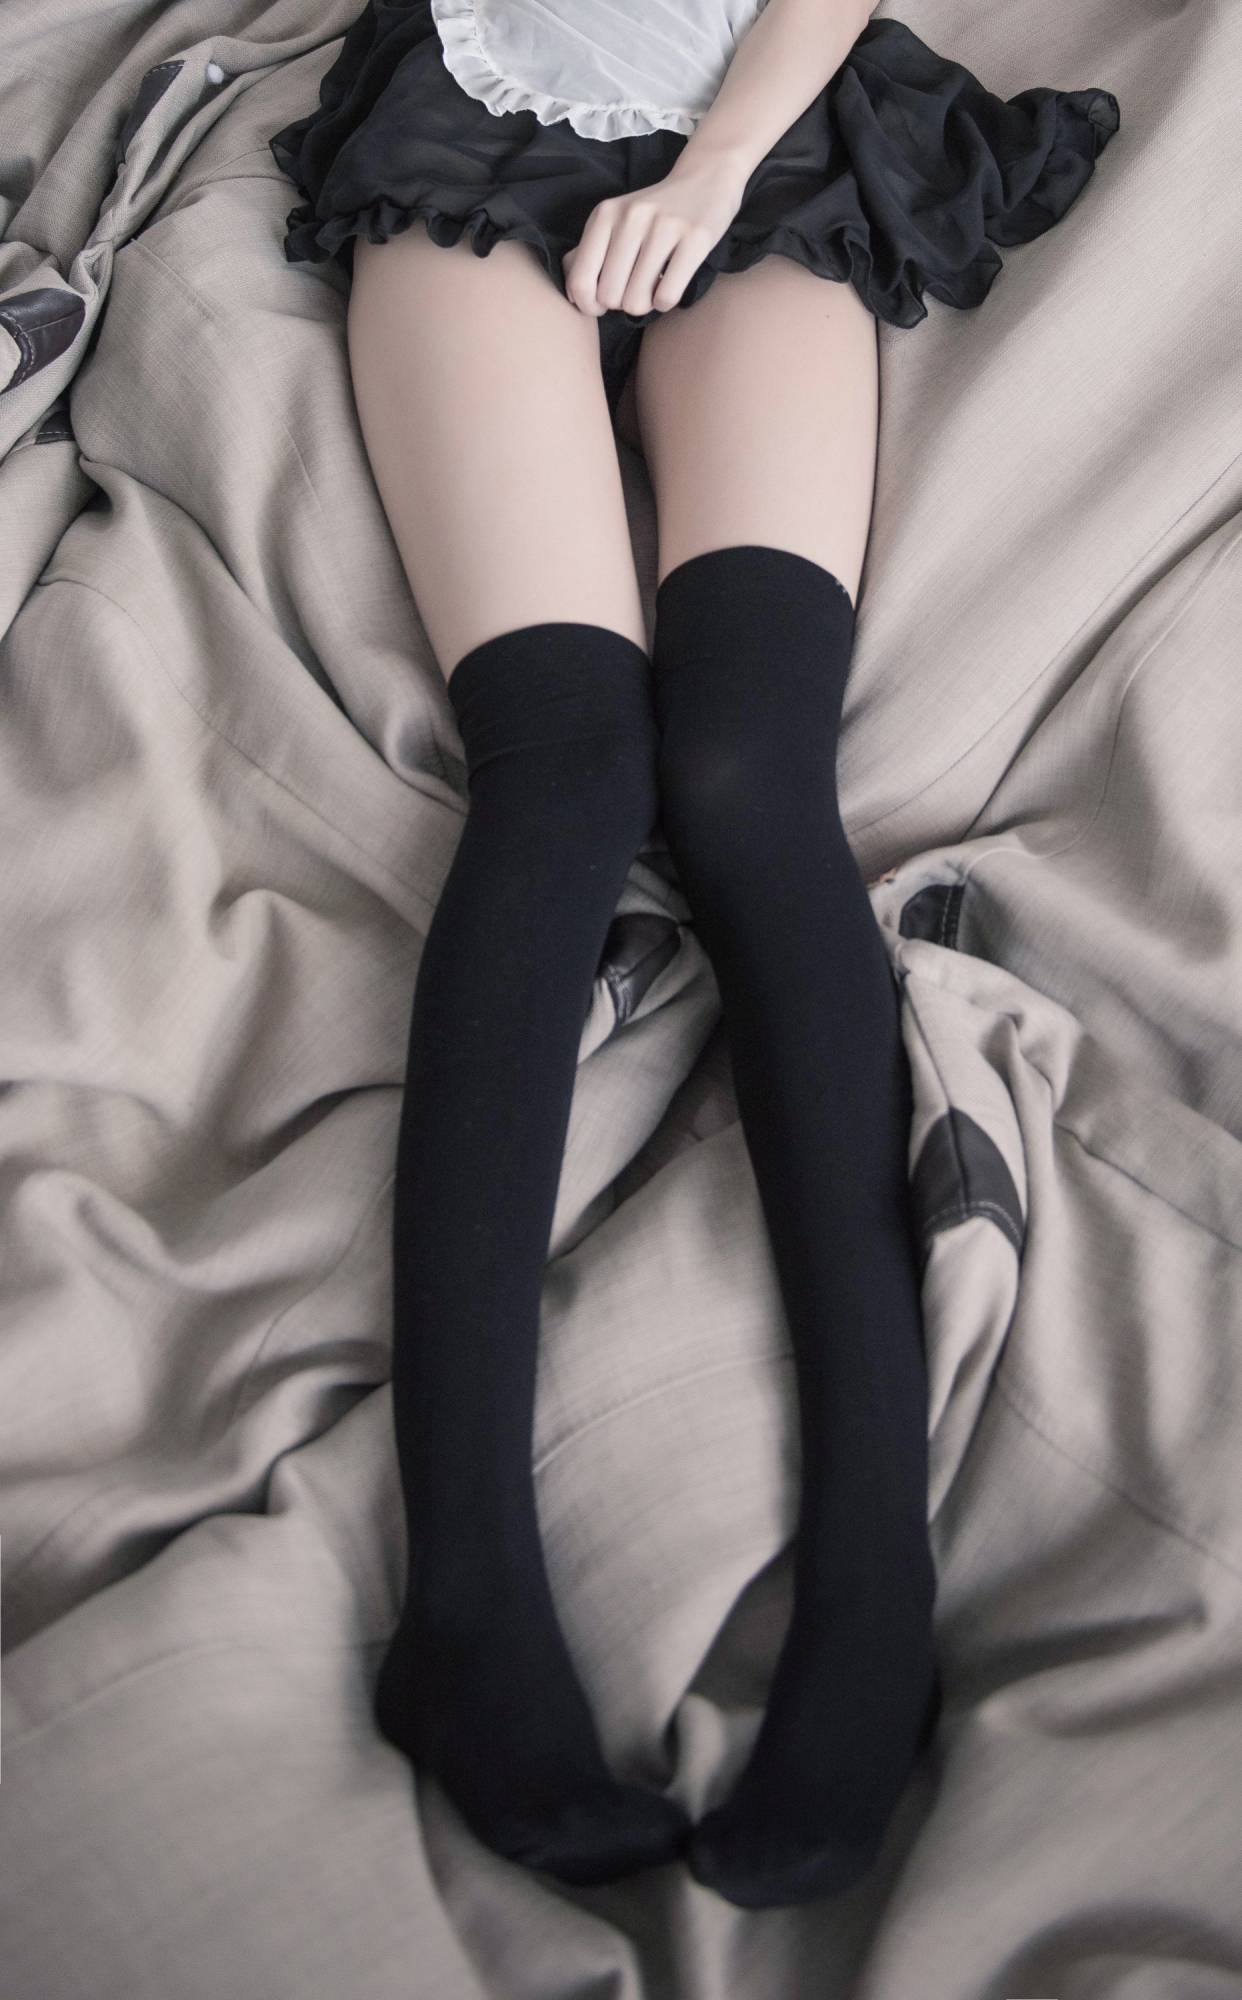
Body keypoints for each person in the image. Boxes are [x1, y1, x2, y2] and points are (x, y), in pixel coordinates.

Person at [270, 0, 1117, 1909]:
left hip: (765, 126)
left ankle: (872, 1597)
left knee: (748, 778)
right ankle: (466, 1601)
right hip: (479, 98)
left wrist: (719, 164)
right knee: (562, 773)